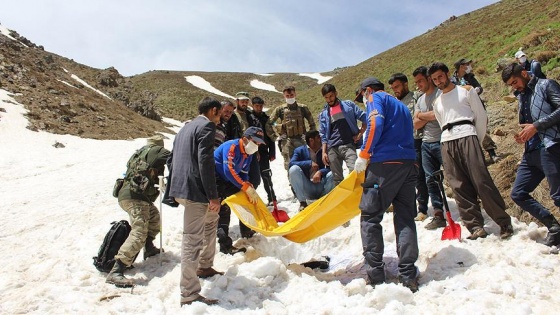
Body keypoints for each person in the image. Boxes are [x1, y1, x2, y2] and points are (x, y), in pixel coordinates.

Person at [428, 62, 513, 240]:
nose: (438, 81)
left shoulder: (466, 90)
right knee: (458, 185)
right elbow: (440, 120)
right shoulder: (437, 102)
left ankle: (503, 222)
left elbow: (481, 117)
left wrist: (476, 138)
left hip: (468, 135)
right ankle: (475, 226)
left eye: (440, 77)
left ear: (447, 74)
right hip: (447, 141)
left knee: (481, 181)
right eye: (434, 79)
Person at [353, 77, 420, 292]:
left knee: (371, 217)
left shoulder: (375, 98)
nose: (364, 99)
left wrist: (364, 153)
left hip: (383, 166)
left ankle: (375, 275)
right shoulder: (401, 105)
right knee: (405, 218)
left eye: (363, 95)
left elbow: (375, 124)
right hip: (408, 165)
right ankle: (408, 274)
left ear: (368, 90)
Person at [170, 97, 223, 306]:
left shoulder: (185, 128)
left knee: (212, 219)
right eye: (219, 115)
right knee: (192, 240)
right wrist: (212, 195)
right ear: (213, 111)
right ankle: (189, 293)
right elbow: (205, 161)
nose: (219, 121)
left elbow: (171, 158)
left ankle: (205, 265)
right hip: (195, 192)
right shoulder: (207, 126)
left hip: (181, 188)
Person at [502, 63, 560, 247]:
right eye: (511, 85)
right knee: (518, 193)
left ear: (525, 74)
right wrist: (523, 136)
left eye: (515, 82)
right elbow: (528, 123)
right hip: (530, 152)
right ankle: (554, 228)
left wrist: (536, 127)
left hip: (549, 146)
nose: (514, 87)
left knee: (558, 196)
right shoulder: (521, 95)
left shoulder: (546, 85)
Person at [106, 134, 170, 288]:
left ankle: (148, 247)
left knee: (154, 218)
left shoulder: (138, 153)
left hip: (130, 195)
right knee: (139, 231)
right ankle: (117, 270)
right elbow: (175, 156)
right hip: (135, 197)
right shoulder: (157, 151)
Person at [215, 127, 264, 254]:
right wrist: (244, 186)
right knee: (224, 209)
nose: (256, 145)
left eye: (259, 143)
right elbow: (228, 170)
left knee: (246, 199)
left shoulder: (248, 154)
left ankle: (247, 230)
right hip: (216, 178)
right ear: (245, 139)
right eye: (255, 142)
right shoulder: (232, 147)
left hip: (229, 180)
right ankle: (224, 244)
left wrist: (247, 185)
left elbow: (243, 172)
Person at [389, 73, 429, 221]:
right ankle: (409, 208)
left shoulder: (416, 97)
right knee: (405, 179)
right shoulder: (394, 103)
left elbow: (420, 117)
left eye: (397, 86)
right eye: (393, 88)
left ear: (406, 84)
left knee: (419, 176)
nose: (395, 90)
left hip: (416, 141)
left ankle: (422, 208)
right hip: (400, 146)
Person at [412, 66, 446, 229]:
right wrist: (428, 116)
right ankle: (438, 214)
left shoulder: (439, 93)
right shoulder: (419, 99)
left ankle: (466, 209)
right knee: (430, 179)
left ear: (428, 78)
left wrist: (422, 116)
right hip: (426, 143)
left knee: (453, 176)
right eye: (416, 82)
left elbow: (437, 115)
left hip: (443, 140)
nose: (418, 84)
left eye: (420, 80)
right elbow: (416, 124)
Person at [452, 58, 501, 163]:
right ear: (461, 66)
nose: (469, 66)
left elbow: (479, 87)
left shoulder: (470, 76)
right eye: (467, 64)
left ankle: (492, 153)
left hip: (476, 106)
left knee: (482, 128)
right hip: (463, 110)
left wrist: (475, 91)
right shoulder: (452, 81)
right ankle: (478, 158)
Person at [318, 83, 366, 186]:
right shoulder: (323, 114)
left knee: (354, 172)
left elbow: (365, 118)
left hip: (348, 145)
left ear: (336, 93)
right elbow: (323, 135)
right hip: (332, 149)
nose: (329, 99)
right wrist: (324, 152)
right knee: (337, 180)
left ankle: (358, 198)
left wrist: (360, 134)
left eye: (331, 96)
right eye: (326, 97)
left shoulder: (349, 106)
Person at [268, 86, 317, 170]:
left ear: (295, 94)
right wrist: (276, 137)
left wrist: (308, 136)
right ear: (284, 96)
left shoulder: (303, 108)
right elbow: (269, 123)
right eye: (287, 96)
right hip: (287, 142)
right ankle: (291, 182)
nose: (290, 97)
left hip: (301, 140)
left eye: (291, 95)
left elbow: (312, 123)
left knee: (305, 162)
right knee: (289, 164)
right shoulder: (279, 109)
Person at [288, 130, 334, 210]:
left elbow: (331, 168)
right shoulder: (300, 150)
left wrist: (320, 172)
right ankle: (302, 202)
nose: (321, 139)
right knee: (293, 169)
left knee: (333, 174)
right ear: (311, 140)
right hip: (307, 186)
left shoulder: (324, 151)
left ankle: (323, 200)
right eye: (318, 138)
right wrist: (309, 163)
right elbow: (291, 163)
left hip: (322, 185)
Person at [251, 96, 277, 205]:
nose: (259, 108)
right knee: (252, 178)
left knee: (266, 175)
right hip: (251, 151)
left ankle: (272, 198)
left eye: (261, 106)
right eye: (257, 106)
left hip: (264, 151)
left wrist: (272, 152)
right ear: (252, 106)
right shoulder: (249, 117)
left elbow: (271, 136)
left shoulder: (266, 119)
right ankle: (251, 200)